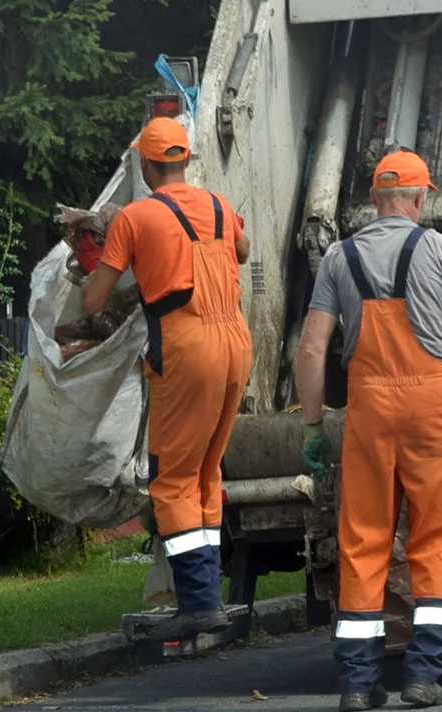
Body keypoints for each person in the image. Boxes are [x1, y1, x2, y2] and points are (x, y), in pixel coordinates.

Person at [294, 150, 442, 712]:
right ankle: (421, 675)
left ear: (373, 198)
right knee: (436, 536)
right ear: (419, 198)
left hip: (369, 408)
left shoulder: (339, 259)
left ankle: (358, 685)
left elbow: (313, 349)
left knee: (363, 539)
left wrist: (314, 426)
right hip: (433, 406)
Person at [82, 116, 253, 641]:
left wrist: (93, 259)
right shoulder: (222, 207)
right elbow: (241, 253)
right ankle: (208, 597)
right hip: (235, 344)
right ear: (185, 159)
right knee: (205, 471)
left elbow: (93, 301)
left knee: (171, 479)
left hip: (186, 346)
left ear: (147, 163)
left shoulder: (135, 218)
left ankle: (199, 603)